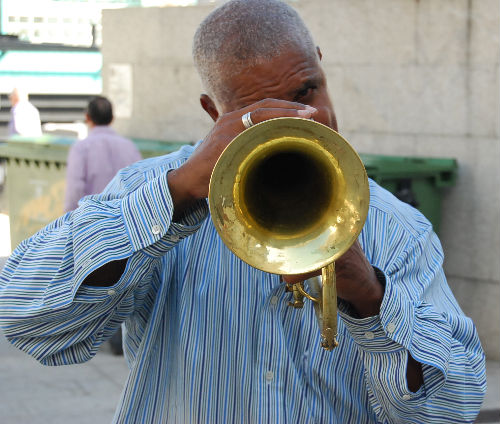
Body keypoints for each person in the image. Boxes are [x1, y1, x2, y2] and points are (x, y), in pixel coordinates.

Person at [0, 1, 486, 423]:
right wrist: (175, 196)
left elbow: (450, 409)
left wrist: (371, 299)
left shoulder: (400, 228)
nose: (303, 122)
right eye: (260, 110)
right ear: (214, 112)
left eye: (305, 92)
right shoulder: (151, 189)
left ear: (320, 65)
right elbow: (26, 320)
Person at [63, 96, 142, 212]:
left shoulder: (81, 148)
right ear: (112, 118)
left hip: (92, 221)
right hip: (124, 219)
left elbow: (75, 189)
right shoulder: (129, 146)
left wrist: (69, 219)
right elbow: (140, 182)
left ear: (87, 117)